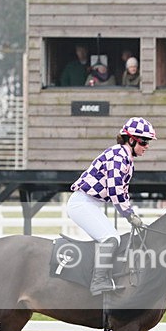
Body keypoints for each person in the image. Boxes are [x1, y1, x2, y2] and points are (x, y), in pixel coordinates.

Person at [68, 117, 156, 295]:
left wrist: (130, 213)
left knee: (112, 237)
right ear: (131, 139)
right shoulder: (118, 156)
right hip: (82, 203)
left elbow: (123, 193)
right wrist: (129, 215)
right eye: (144, 141)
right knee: (111, 238)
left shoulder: (126, 159)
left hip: (88, 203)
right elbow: (115, 190)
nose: (147, 146)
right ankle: (99, 281)